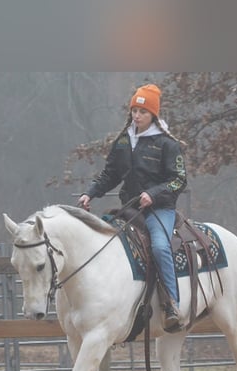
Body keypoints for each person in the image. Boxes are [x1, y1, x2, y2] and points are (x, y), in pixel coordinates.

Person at [78, 83, 187, 332]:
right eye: (134, 111)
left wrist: (154, 194)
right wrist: (90, 193)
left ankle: (172, 304)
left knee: (160, 247)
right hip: (129, 208)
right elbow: (110, 175)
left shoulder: (167, 145)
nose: (137, 116)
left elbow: (179, 179)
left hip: (160, 210)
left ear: (153, 115)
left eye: (143, 112)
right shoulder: (123, 141)